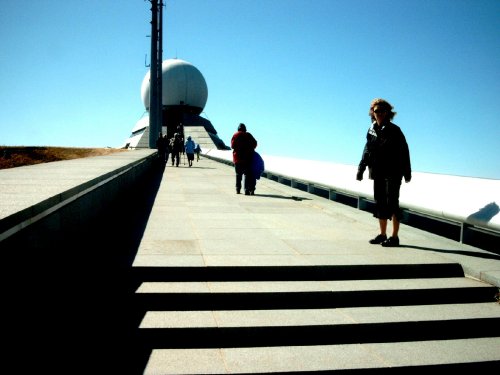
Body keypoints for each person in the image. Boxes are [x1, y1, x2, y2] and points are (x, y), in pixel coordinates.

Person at [356, 98, 412, 247]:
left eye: (382, 111)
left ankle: (395, 237)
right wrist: (361, 168)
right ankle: (382, 234)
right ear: (372, 113)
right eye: (376, 111)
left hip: (394, 172)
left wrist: (407, 172)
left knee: (392, 203)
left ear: (387, 113)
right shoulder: (371, 130)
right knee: (380, 202)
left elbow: (404, 151)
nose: (379, 113)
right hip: (378, 172)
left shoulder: (395, 130)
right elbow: (367, 150)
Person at [231, 123, 257, 195]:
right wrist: (250, 149)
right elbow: (255, 143)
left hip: (237, 158)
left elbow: (232, 146)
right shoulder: (248, 135)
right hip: (247, 158)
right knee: (247, 174)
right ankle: (246, 190)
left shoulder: (235, 135)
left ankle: (238, 189)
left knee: (238, 174)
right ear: (245, 129)